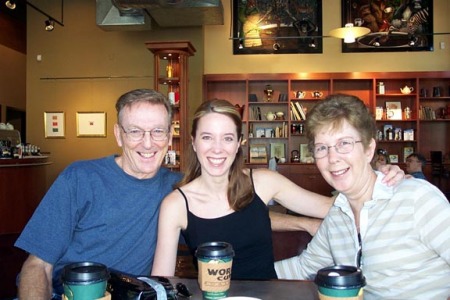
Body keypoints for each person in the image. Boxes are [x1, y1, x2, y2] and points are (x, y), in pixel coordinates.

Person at [151, 99, 405, 281]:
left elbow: (339, 205)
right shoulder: (175, 204)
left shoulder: (263, 182)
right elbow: (161, 281)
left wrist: (378, 179)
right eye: (207, 137)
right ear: (194, 142)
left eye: (227, 138)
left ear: (239, 143)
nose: (217, 149)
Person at [275, 94, 450, 299]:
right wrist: (234, 274)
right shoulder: (337, 216)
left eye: (344, 143)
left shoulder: (417, 199)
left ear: (368, 150)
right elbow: (302, 267)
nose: (333, 158)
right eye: (322, 148)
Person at [14, 89, 183, 299]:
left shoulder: (178, 188)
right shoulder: (79, 178)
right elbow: (37, 264)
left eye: (158, 131)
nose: (148, 143)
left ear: (169, 136)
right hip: (66, 293)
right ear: (118, 135)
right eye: (135, 131)